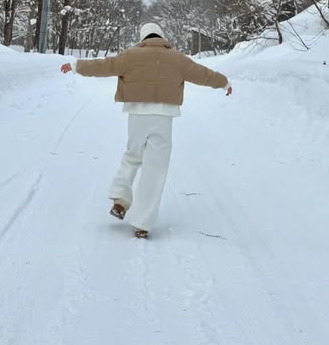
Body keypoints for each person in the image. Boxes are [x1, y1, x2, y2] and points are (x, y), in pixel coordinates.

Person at [60, 22, 231, 238]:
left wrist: (76, 66)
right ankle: (142, 223)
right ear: (161, 37)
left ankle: (120, 199)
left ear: (143, 38)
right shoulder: (177, 58)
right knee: (156, 169)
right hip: (164, 117)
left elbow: (105, 65)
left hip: (137, 114)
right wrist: (224, 83)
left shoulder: (131, 55)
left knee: (132, 156)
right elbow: (202, 74)